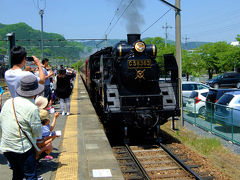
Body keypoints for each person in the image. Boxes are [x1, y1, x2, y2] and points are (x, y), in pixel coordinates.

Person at [0, 75, 46, 180]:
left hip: (6, 146)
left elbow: (2, 120)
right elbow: (37, 131)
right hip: (22, 148)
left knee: (17, 174)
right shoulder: (32, 108)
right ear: (35, 92)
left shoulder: (9, 102)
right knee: (30, 176)